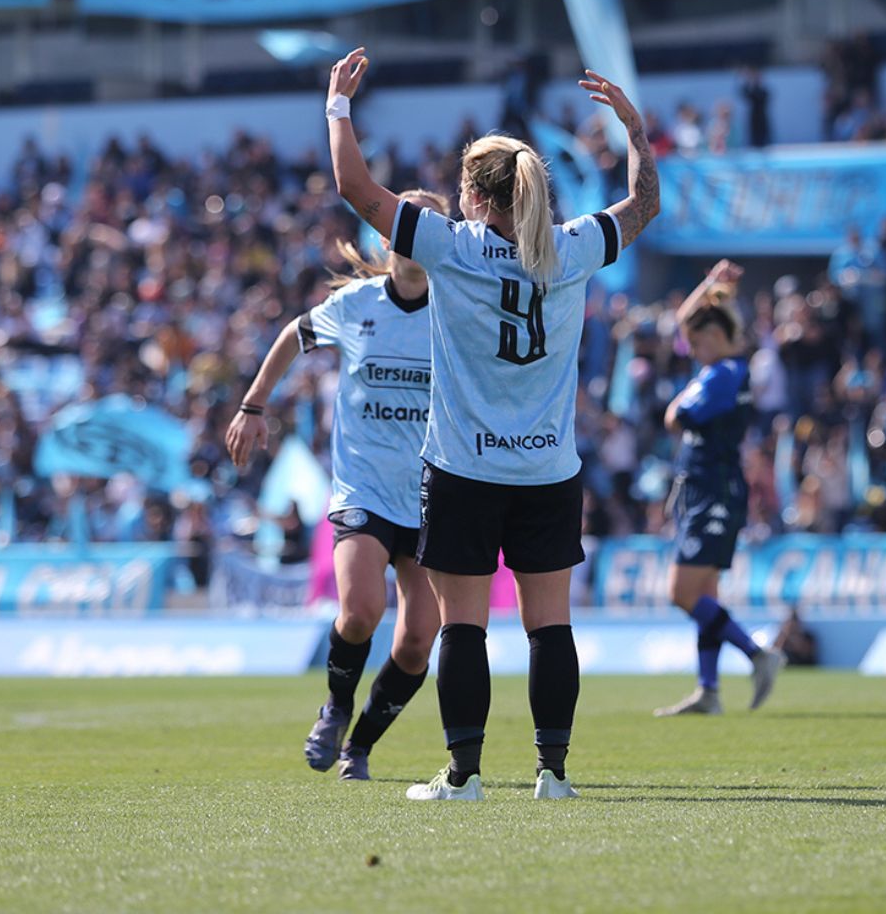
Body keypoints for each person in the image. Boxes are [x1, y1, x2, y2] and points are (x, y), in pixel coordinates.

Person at [322, 47, 659, 801]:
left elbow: (353, 187)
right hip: (546, 470)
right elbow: (644, 209)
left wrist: (338, 108)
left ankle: (465, 775)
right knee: (551, 627)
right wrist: (635, 133)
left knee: (462, 628)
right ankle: (554, 772)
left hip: (464, 468)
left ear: (474, 195)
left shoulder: (449, 246)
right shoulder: (570, 248)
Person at [226, 188, 450, 783]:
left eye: (428, 224)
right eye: (404, 224)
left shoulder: (458, 310)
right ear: (386, 237)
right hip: (365, 490)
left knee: (417, 643)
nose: (413, 234)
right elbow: (292, 337)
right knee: (360, 612)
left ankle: (363, 744)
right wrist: (253, 406)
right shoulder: (357, 305)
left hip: (433, 497)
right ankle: (335, 707)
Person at [654, 261, 784, 716]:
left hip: (713, 490)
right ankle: (708, 690)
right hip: (712, 490)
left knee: (682, 592)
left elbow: (675, 418)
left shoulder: (722, 374)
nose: (691, 343)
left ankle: (757, 653)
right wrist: (710, 286)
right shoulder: (725, 370)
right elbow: (683, 323)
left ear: (716, 336)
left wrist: (674, 404)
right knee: (704, 595)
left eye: (698, 338)